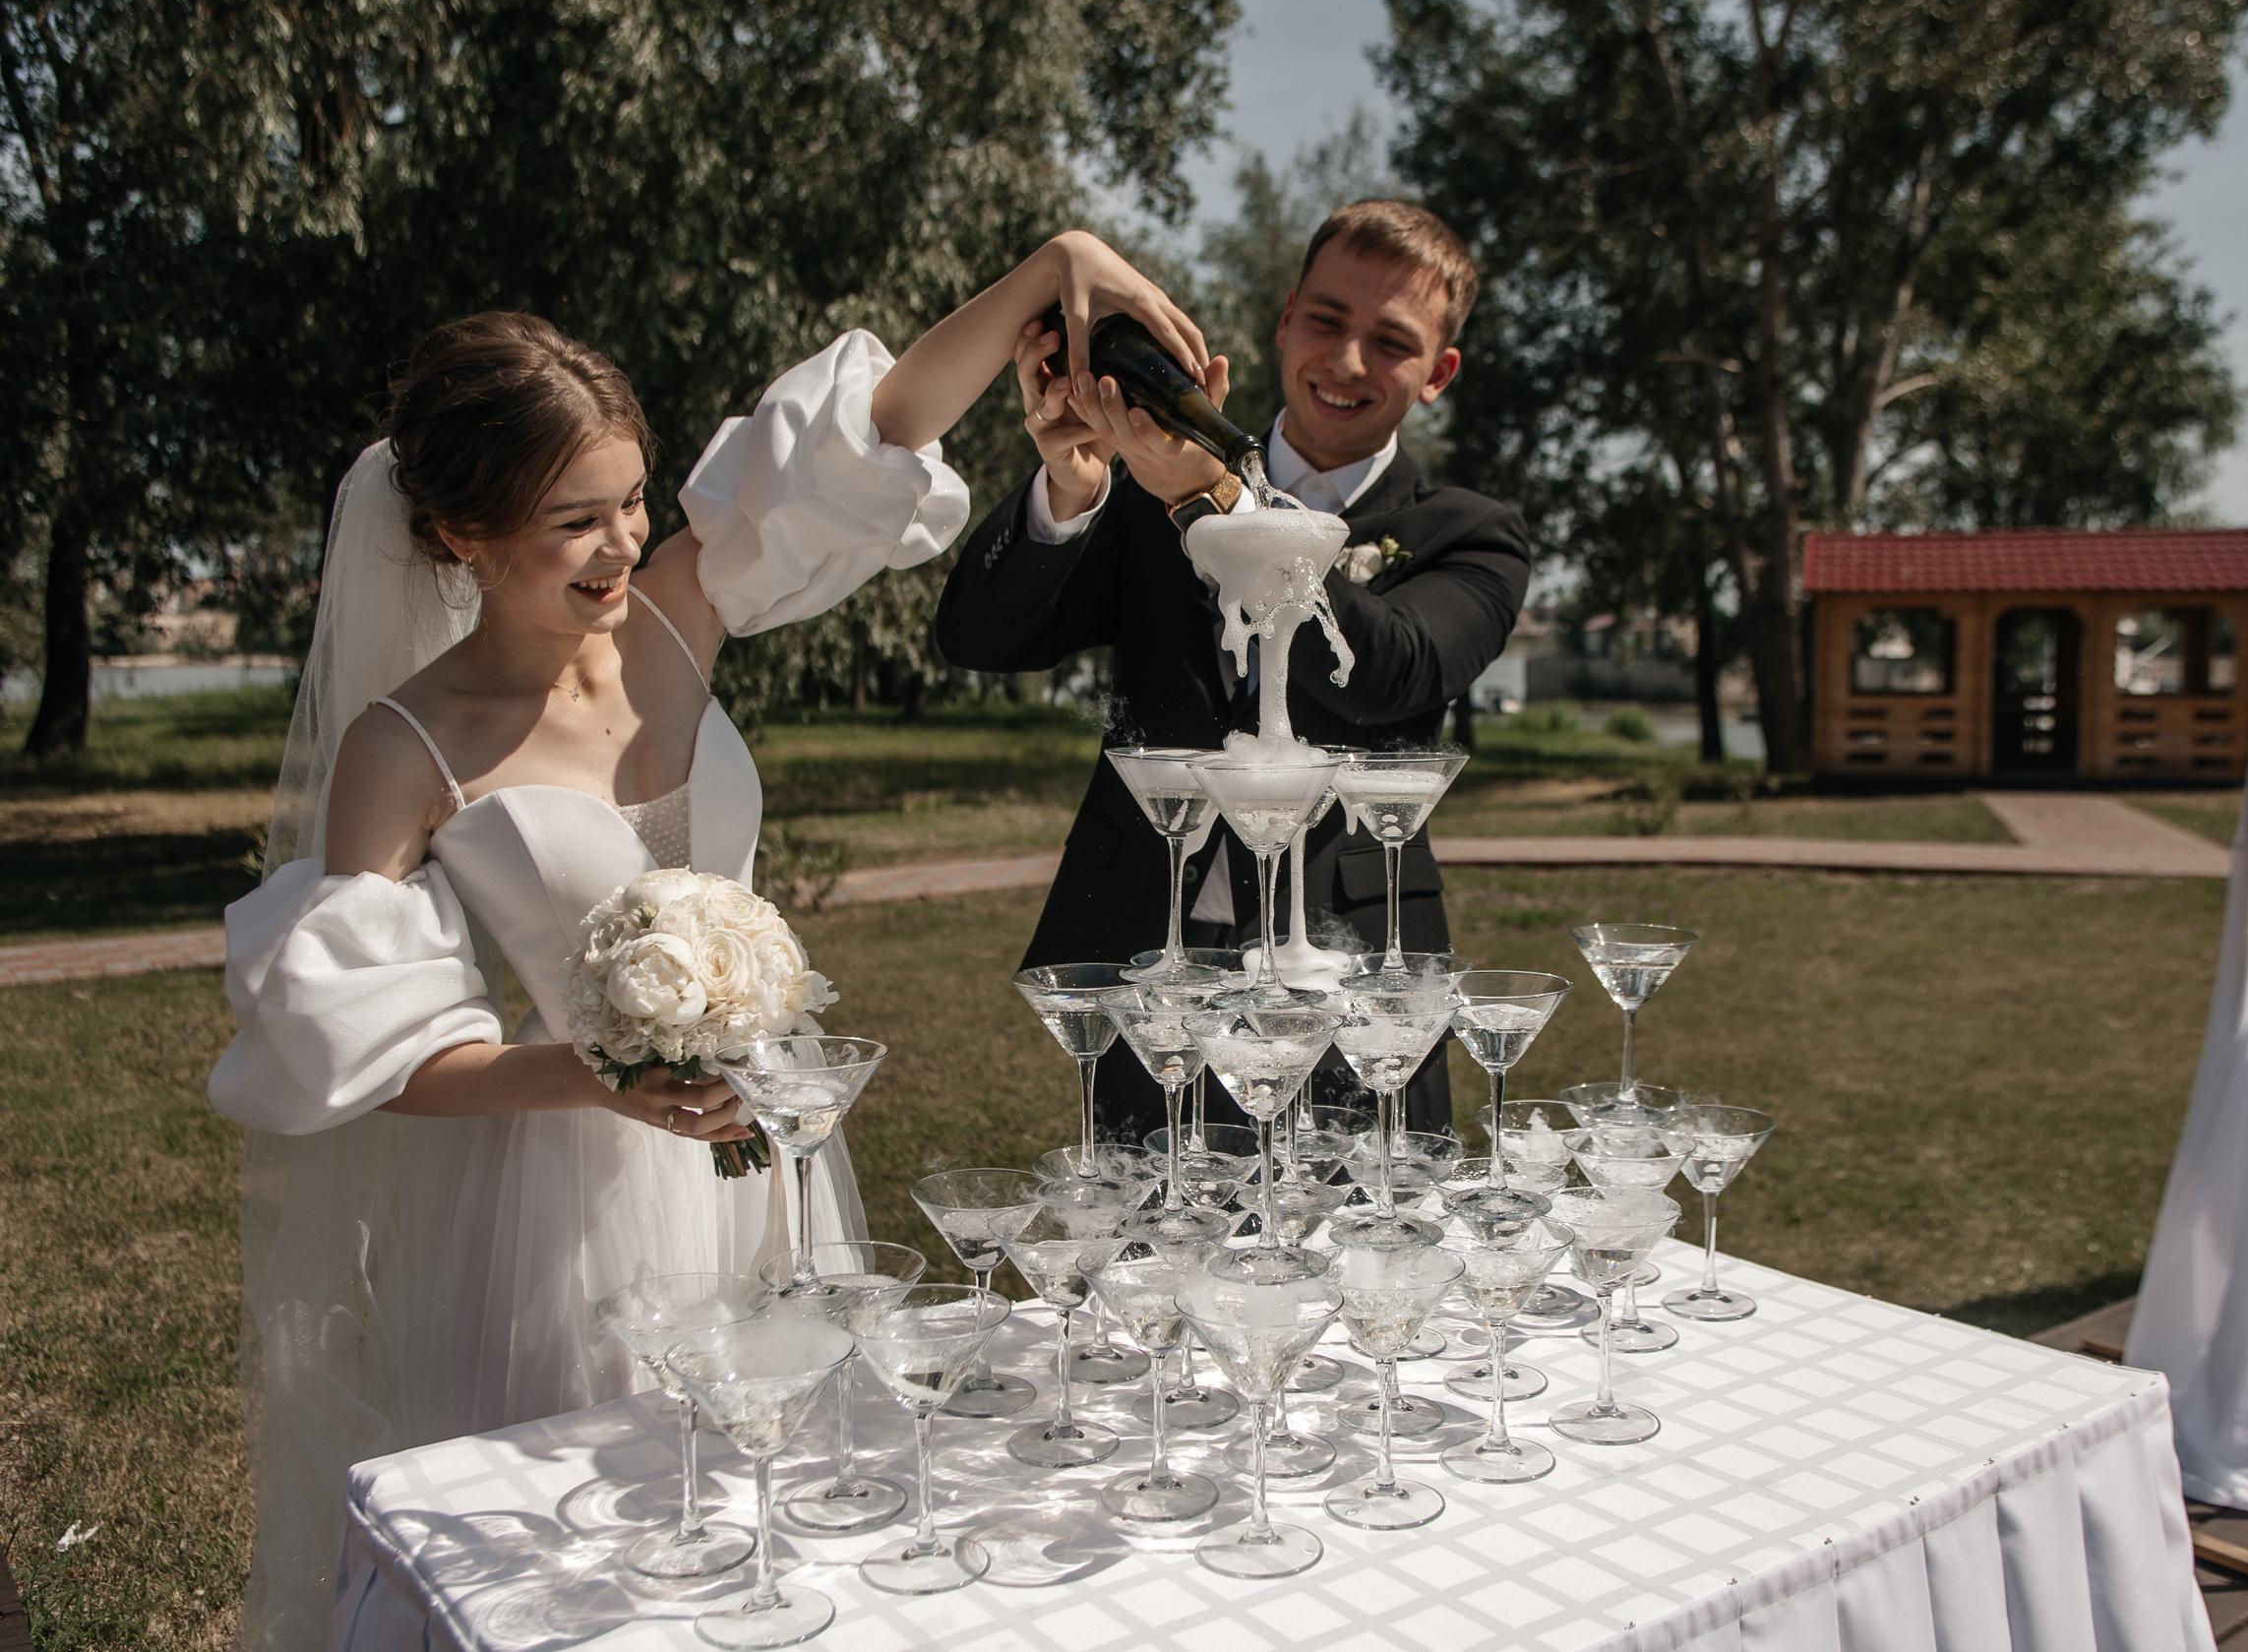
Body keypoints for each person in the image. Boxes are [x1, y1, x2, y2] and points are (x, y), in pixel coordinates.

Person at [207, 232, 1201, 1652]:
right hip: (564, 1206)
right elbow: (364, 1050)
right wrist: (597, 1075)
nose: (620, 545)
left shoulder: (676, 615)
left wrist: (1050, 271)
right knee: (609, 1562)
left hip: (771, 1163)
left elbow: (876, 430)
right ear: (456, 537)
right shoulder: (407, 743)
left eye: (627, 501)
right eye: (571, 521)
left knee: (791, 1532)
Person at [934, 200, 1532, 1141]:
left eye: (1390, 341)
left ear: (1437, 374)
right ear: (1286, 318)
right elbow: (979, 637)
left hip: (1356, 978)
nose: (1345, 361)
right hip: (1155, 965)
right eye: (1328, 321)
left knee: (1366, 1265)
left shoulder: (1472, 533)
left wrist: (1217, 498)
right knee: (1150, 1240)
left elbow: (1388, 672)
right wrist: (1072, 487)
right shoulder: (1144, 487)